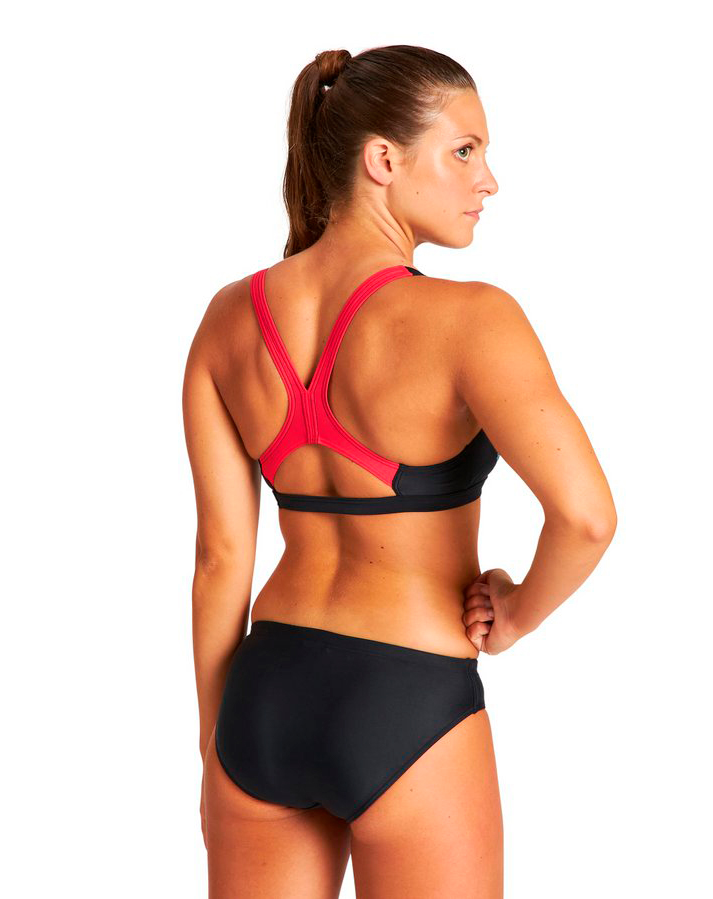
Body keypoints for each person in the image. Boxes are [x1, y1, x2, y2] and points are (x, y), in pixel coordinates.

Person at [182, 44, 617, 899]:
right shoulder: (473, 319)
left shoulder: (228, 318)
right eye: (465, 151)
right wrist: (515, 614)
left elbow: (219, 560)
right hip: (408, 699)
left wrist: (212, 745)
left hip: (263, 699)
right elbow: (587, 517)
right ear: (383, 159)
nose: (488, 181)